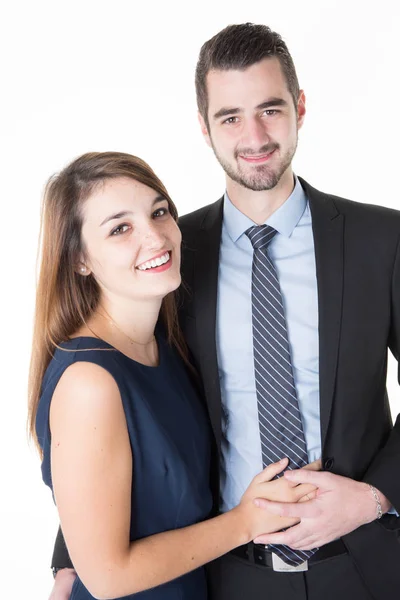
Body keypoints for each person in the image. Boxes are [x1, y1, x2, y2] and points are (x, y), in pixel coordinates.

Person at [49, 22, 400, 600]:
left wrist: (374, 496)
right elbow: (125, 393)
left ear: (300, 107)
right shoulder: (166, 258)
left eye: (270, 109)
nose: (254, 135)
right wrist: (73, 553)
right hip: (228, 574)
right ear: (205, 128)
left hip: (368, 565)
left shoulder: (380, 240)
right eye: (230, 117)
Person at [29, 151, 319, 600]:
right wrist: (246, 522)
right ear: (80, 260)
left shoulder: (167, 343)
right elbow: (107, 577)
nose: (155, 237)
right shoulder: (89, 383)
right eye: (120, 228)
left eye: (159, 211)